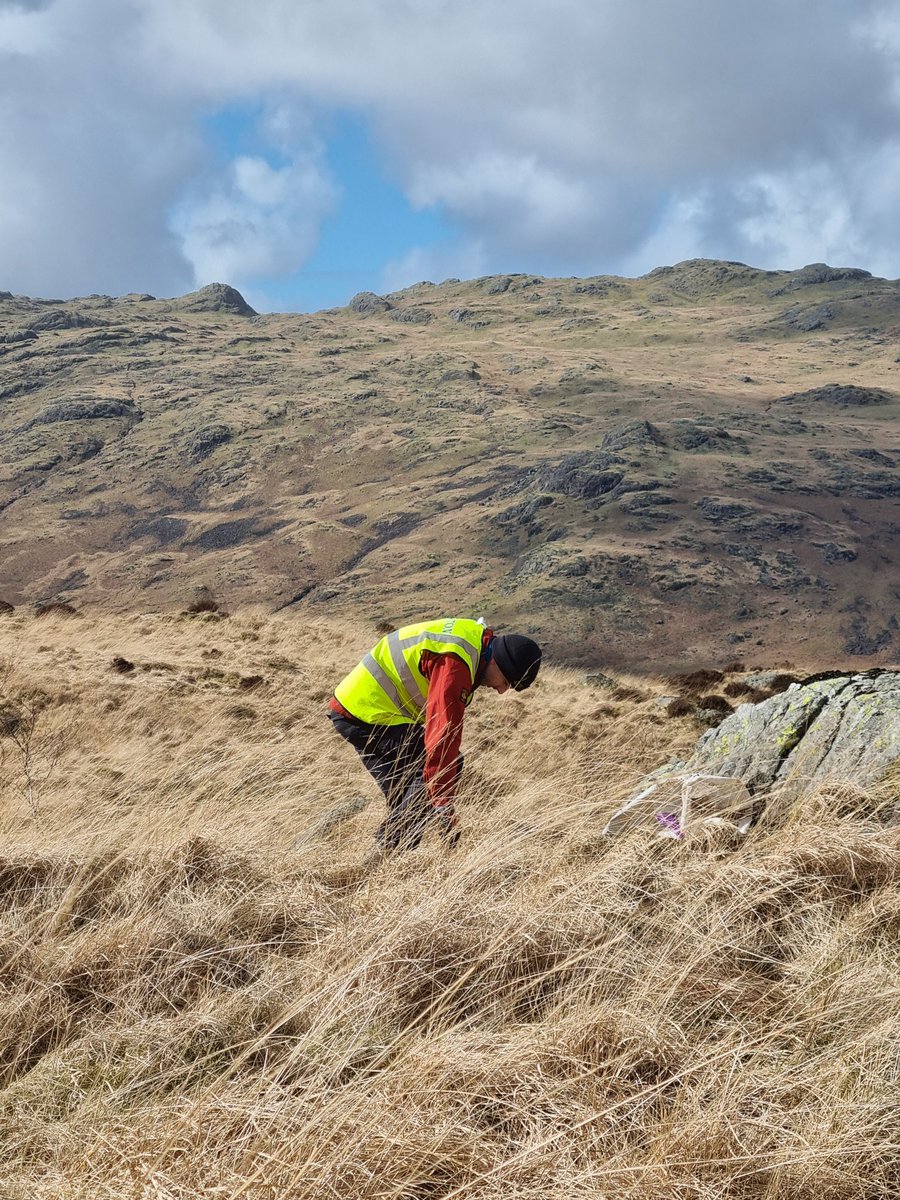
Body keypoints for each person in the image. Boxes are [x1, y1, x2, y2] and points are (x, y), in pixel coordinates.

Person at [328, 618, 542, 856]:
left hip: (355, 709)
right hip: (368, 713)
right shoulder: (456, 663)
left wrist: (437, 799)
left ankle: (389, 860)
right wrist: (444, 804)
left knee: (408, 799)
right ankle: (383, 852)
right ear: (498, 662)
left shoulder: (473, 643)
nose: (501, 690)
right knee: (440, 773)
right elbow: (443, 736)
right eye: (507, 682)